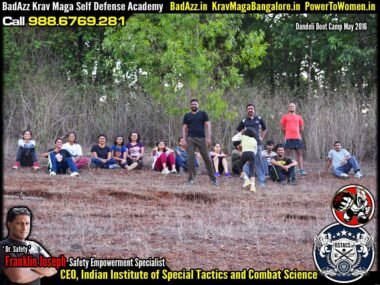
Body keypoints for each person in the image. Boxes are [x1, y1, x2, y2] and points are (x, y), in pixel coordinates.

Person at [0, 207, 57, 284]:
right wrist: (42, 271)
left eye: (27, 223)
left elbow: (52, 269)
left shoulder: (35, 246)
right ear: (9, 224)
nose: (24, 228)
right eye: (19, 223)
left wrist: (29, 266)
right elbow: (18, 277)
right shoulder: (3, 246)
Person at [182, 99, 218, 186]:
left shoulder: (203, 114)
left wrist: (208, 138)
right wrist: (184, 140)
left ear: (198, 105)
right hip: (190, 139)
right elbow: (184, 128)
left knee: (207, 158)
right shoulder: (187, 115)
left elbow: (208, 125)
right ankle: (191, 179)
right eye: (192, 104)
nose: (194, 105)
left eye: (195, 104)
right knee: (190, 159)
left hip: (202, 139)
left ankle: (213, 179)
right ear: (190, 106)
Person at [237, 103, 267, 188]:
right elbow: (239, 131)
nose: (250, 110)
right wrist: (242, 140)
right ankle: (247, 180)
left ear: (254, 110)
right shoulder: (244, 121)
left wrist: (261, 137)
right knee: (246, 162)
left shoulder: (259, 119)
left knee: (258, 161)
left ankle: (261, 181)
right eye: (249, 108)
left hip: (257, 143)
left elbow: (265, 129)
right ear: (247, 110)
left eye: (252, 108)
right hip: (247, 146)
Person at [280, 102, 307, 175]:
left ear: (295, 108)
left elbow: (302, 128)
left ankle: (301, 170)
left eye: (293, 106)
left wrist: (298, 134)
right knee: (287, 154)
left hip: (297, 138)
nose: (292, 107)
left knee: (299, 154)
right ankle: (287, 169)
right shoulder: (285, 117)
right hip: (288, 138)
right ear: (288, 108)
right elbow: (282, 128)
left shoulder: (299, 117)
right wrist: (286, 134)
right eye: (290, 106)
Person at [232, 128, 258, 192]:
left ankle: (246, 180)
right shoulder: (254, 140)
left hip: (245, 153)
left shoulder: (243, 137)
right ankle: (252, 186)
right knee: (252, 170)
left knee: (240, 167)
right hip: (252, 154)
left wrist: (240, 132)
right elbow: (255, 150)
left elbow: (233, 139)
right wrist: (252, 157)